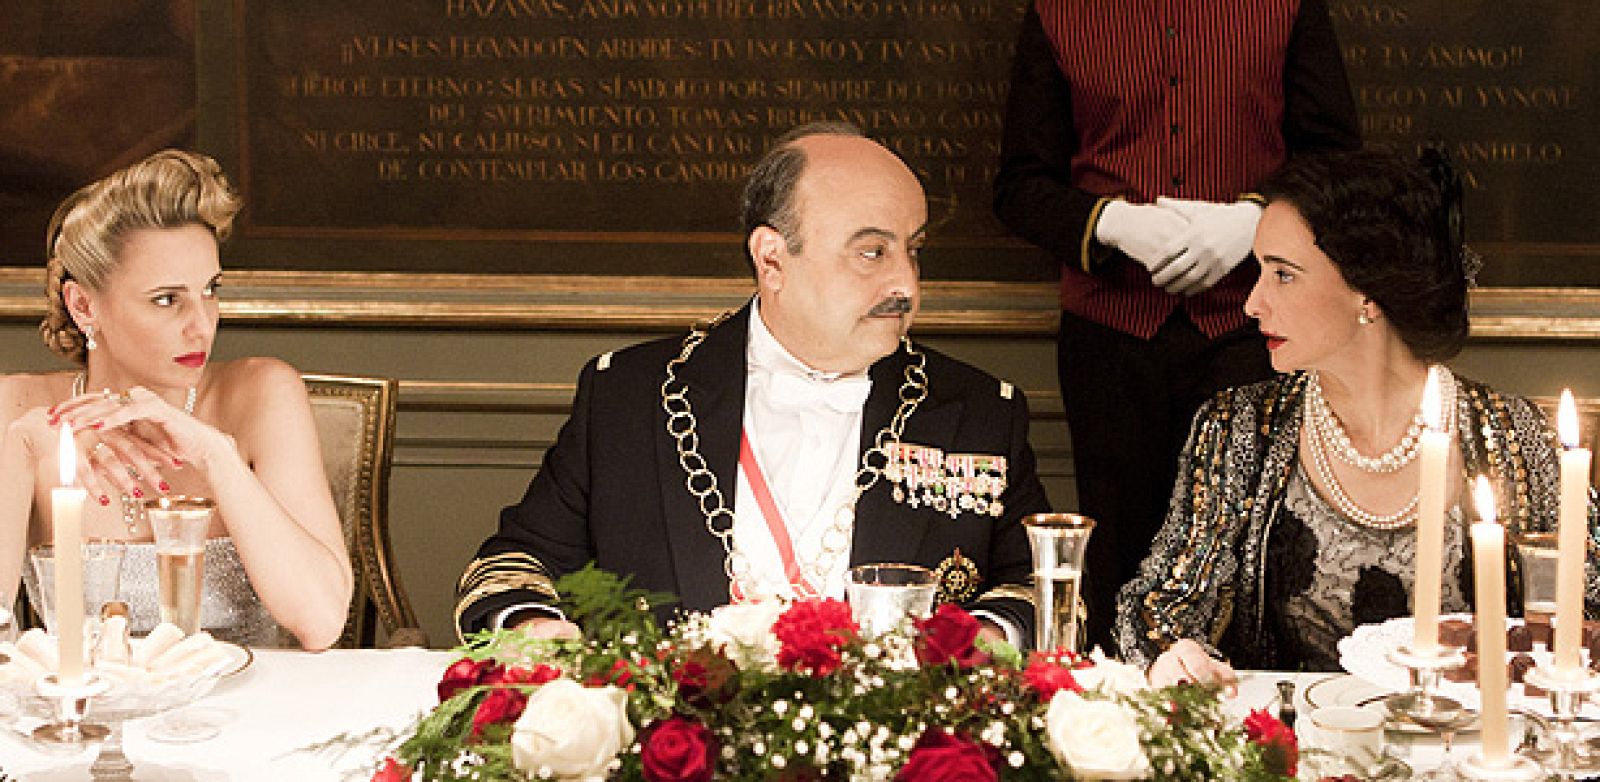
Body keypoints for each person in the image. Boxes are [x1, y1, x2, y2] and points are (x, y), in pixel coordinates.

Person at [457, 123, 1051, 643]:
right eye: (871, 252)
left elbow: (1037, 584)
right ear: (772, 258)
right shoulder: (629, 397)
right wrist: (534, 629)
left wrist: (987, 639)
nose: (907, 285)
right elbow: (512, 566)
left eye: (913, 250)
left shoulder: (978, 410)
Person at [1113, 149, 1600, 684]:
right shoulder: (1237, 428)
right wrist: (1174, 654)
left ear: (1367, 292)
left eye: (1284, 275)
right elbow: (1161, 603)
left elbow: (1588, 613)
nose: (1253, 303)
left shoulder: (1514, 436)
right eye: (1259, 272)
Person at [993, 0, 1361, 651]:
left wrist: (1253, 222)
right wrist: (1111, 223)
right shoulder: (1057, 11)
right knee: (1117, 569)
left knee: (1261, 566)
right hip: (1110, 337)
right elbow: (1020, 186)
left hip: (1254, 330)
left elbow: (1335, 158)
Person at [0, 150, 352, 650]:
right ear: (83, 306)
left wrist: (217, 456)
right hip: (91, 720)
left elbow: (321, 620)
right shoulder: (16, 411)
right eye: (167, 299)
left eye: (210, 290)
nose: (202, 323)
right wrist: (21, 454)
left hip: (247, 715)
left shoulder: (263, 393)